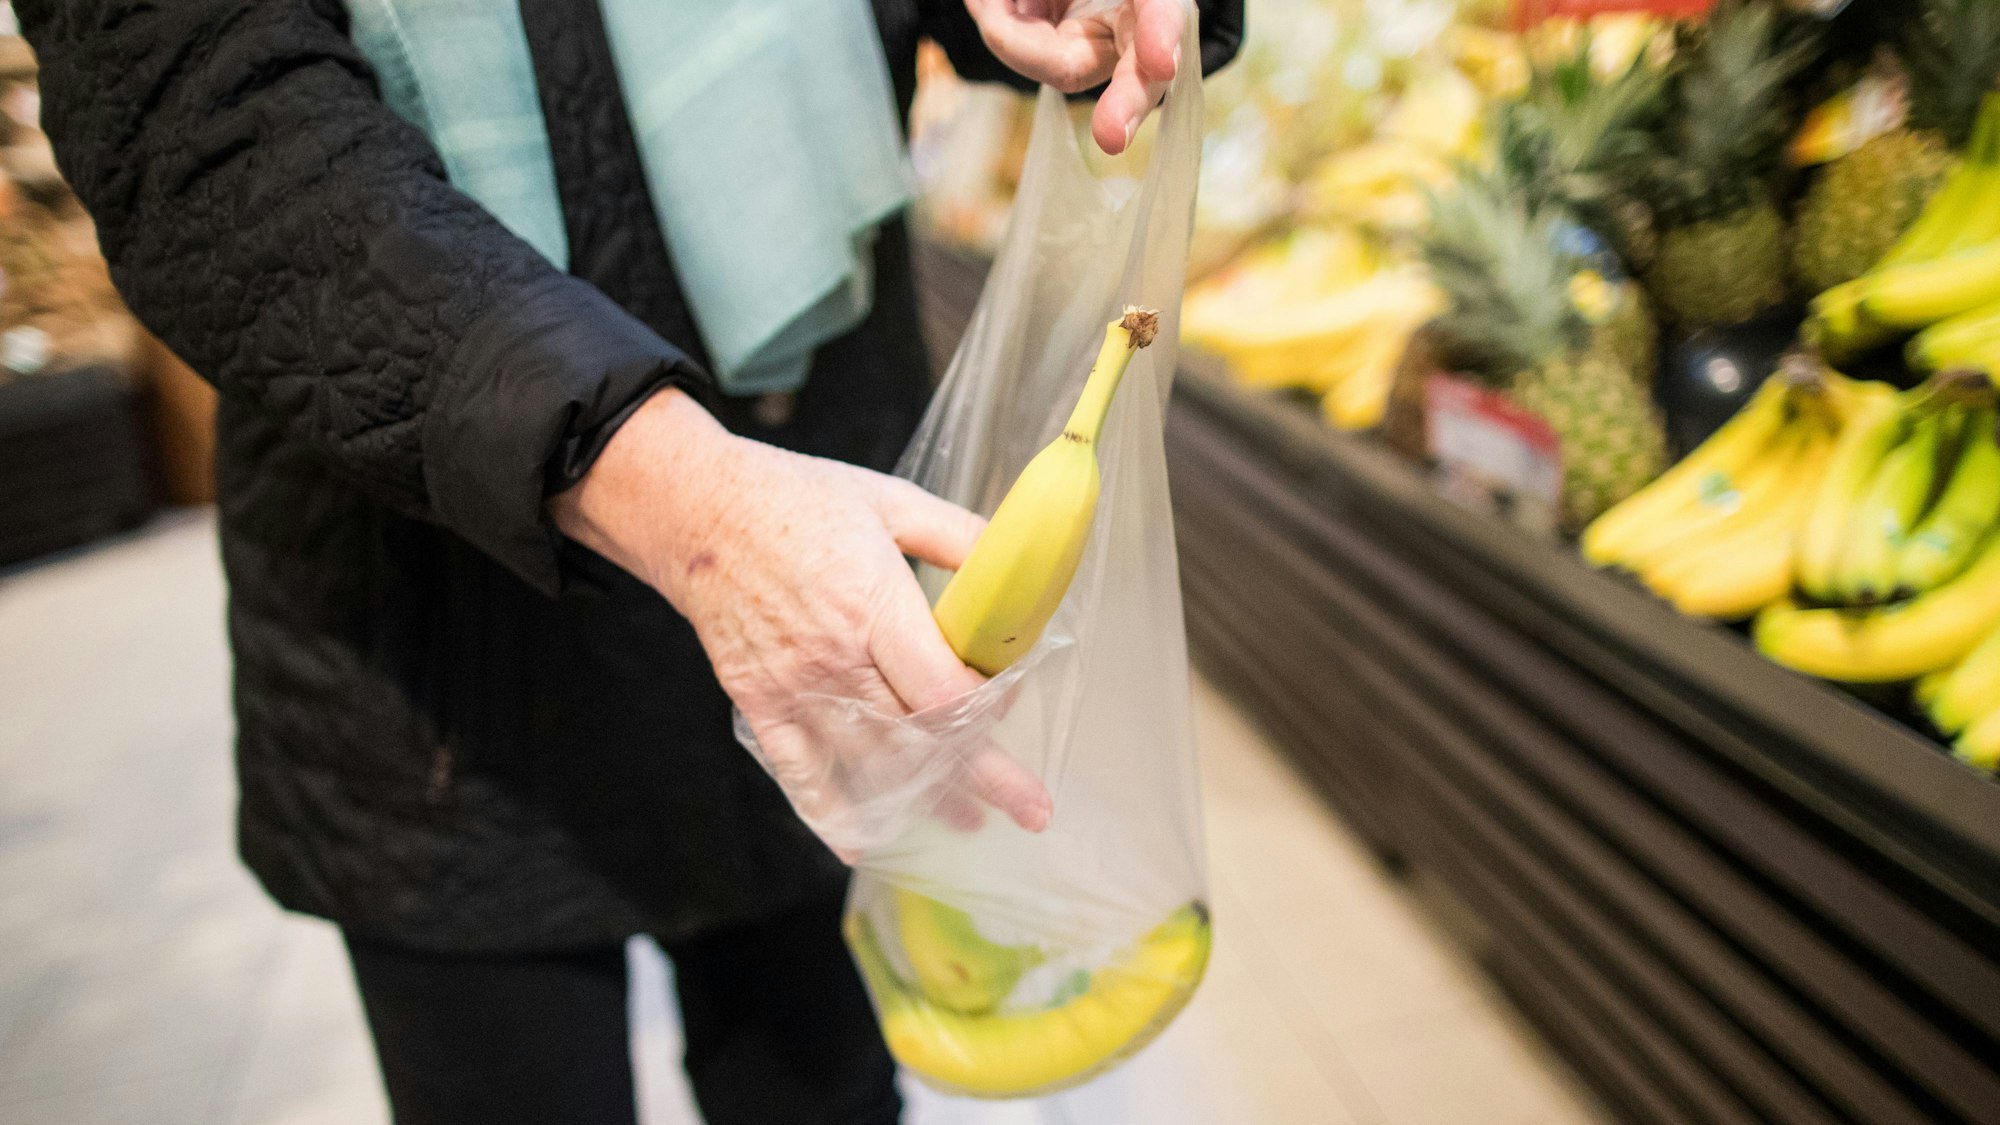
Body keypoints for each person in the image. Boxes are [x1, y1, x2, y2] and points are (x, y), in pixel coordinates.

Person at [18, 1, 1242, 1123]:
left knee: (821, 1079)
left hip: (822, 514)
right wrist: (687, 506)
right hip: (437, 636)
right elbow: (207, 123)